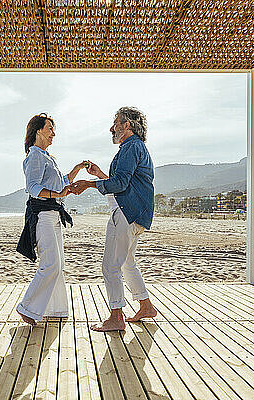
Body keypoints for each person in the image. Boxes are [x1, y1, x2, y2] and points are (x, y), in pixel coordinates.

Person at [71, 106, 158, 331]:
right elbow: (122, 182)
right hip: (137, 215)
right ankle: (146, 306)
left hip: (126, 213)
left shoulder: (130, 147)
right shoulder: (137, 147)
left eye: (115, 123)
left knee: (110, 266)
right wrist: (100, 175)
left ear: (126, 125)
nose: (112, 128)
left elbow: (120, 185)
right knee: (128, 262)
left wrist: (89, 184)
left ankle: (116, 317)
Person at [16, 113, 89, 326]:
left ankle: (55, 309)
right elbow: (34, 187)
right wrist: (60, 194)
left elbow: (60, 184)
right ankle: (26, 307)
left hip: (54, 215)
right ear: (38, 130)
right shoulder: (35, 156)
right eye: (50, 129)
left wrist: (75, 171)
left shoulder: (48, 157)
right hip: (43, 216)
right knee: (51, 264)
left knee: (59, 264)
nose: (53, 134)